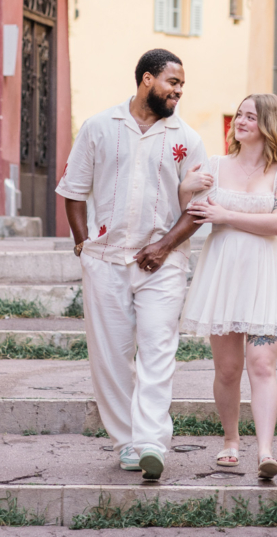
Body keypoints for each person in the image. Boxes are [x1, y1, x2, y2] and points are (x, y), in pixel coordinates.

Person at [56, 48, 208, 481]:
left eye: (181, 85)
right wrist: (84, 245)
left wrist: (162, 247)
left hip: (164, 263)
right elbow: (73, 190)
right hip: (105, 261)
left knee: (159, 350)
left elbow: (197, 208)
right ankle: (128, 443)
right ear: (146, 79)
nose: (179, 91)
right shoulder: (100, 127)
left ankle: (152, 442)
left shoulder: (187, 138)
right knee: (112, 355)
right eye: (172, 82)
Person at [179, 93, 277, 482]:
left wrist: (225, 214)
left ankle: (266, 450)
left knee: (262, 364)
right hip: (223, 274)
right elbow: (188, 210)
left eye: (251, 116)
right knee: (228, 368)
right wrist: (186, 186)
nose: (241, 121)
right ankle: (231, 440)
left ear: (269, 124)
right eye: (240, 115)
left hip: (266, 273)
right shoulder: (214, 167)